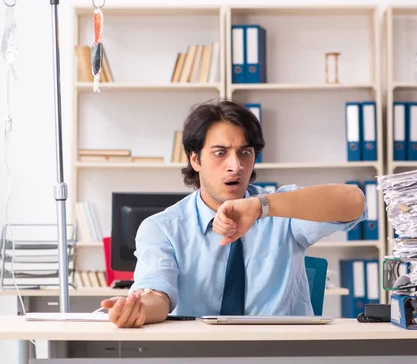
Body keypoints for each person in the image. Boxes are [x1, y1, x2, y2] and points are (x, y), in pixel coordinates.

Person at [100, 99, 367, 328]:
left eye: (245, 153)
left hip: (281, 352)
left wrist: (260, 207)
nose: (235, 166)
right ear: (195, 159)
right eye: (220, 153)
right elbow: (157, 293)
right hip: (200, 354)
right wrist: (138, 308)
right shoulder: (162, 228)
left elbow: (355, 202)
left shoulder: (282, 207)